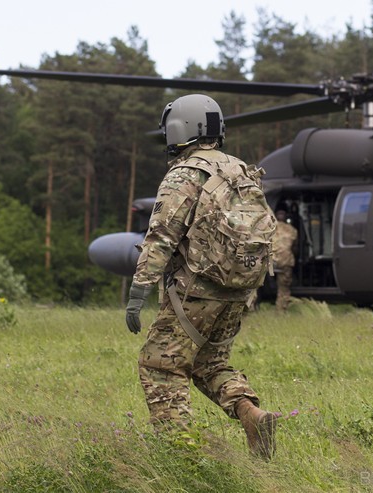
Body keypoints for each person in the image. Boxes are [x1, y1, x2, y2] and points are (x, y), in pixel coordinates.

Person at [125, 94, 277, 460]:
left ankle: (179, 455)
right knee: (210, 364)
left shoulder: (184, 174)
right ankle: (252, 415)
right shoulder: (241, 169)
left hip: (197, 291)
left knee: (160, 365)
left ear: (178, 128)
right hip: (239, 291)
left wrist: (138, 291)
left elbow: (162, 236)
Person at [272, 209, 298, 311]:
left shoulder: (268, 227)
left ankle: (251, 309)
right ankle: (281, 311)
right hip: (285, 261)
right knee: (284, 288)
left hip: (270, 261)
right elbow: (295, 248)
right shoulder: (292, 230)